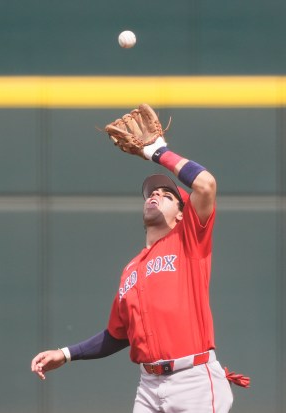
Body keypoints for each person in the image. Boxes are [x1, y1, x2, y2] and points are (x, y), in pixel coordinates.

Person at [31, 105, 248, 413]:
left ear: (182, 214)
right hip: (149, 385)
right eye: (151, 193)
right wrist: (66, 353)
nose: (155, 196)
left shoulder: (189, 239)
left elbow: (205, 184)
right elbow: (117, 335)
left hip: (194, 381)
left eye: (167, 195)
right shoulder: (131, 270)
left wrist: (158, 151)